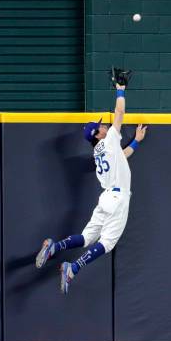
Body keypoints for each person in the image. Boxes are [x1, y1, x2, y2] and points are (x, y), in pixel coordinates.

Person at [35, 82, 147, 294]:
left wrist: (136, 143)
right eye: (101, 126)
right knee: (107, 243)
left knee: (87, 238)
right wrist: (120, 89)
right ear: (97, 134)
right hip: (118, 200)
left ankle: (55, 247)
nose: (104, 126)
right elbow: (120, 111)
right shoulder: (111, 138)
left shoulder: (98, 153)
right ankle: (73, 268)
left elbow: (121, 158)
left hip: (105, 199)